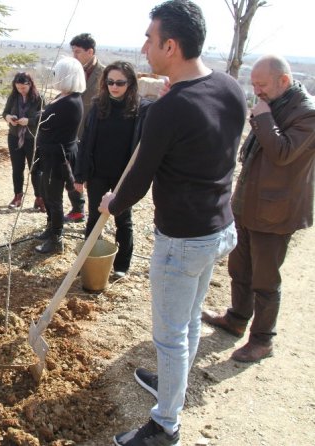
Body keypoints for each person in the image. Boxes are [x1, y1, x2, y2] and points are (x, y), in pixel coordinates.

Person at [98, 2, 247, 445]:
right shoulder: (228, 87)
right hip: (220, 228)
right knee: (186, 325)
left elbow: (138, 181)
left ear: (171, 45)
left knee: (170, 335)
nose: (144, 47)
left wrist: (112, 201)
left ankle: (165, 424)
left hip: (183, 240)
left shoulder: (168, 110)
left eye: (150, 38)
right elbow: (208, 142)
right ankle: (170, 383)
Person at [201, 55, 315, 363]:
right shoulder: (275, 104)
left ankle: (263, 340)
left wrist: (262, 117)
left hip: (276, 214)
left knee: (265, 280)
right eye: (254, 85)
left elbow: (282, 152)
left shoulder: (307, 114)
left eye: (262, 85)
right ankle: (237, 318)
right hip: (249, 205)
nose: (257, 91)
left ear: (284, 81)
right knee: (240, 268)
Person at [74, 61, 152, 278]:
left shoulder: (141, 109)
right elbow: (86, 141)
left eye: (120, 82)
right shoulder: (98, 106)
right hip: (98, 173)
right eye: (110, 82)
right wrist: (80, 175)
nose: (114, 87)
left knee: (122, 219)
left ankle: (121, 265)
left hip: (123, 177)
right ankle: (88, 261)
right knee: (94, 217)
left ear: (130, 83)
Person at [34, 56, 85, 255]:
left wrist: (33, 118)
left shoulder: (70, 102)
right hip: (52, 153)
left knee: (54, 197)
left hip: (58, 156)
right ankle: (51, 227)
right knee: (48, 194)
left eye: (57, 73)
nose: (54, 76)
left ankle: (56, 238)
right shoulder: (64, 97)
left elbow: (44, 122)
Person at [64, 33, 106, 224]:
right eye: (73, 51)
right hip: (73, 134)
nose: (75, 56)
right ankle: (77, 209)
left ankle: (96, 218)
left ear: (90, 51)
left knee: (95, 180)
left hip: (96, 136)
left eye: (78, 52)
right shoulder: (73, 71)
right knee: (71, 175)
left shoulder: (105, 75)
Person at [1, 72, 45, 211]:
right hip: (14, 137)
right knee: (17, 168)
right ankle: (17, 196)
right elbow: (5, 112)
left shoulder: (39, 98)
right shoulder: (13, 97)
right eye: (18, 88)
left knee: (36, 170)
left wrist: (29, 121)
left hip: (32, 139)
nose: (21, 91)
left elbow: (45, 117)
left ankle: (40, 198)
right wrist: (9, 118)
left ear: (30, 84)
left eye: (23, 88)